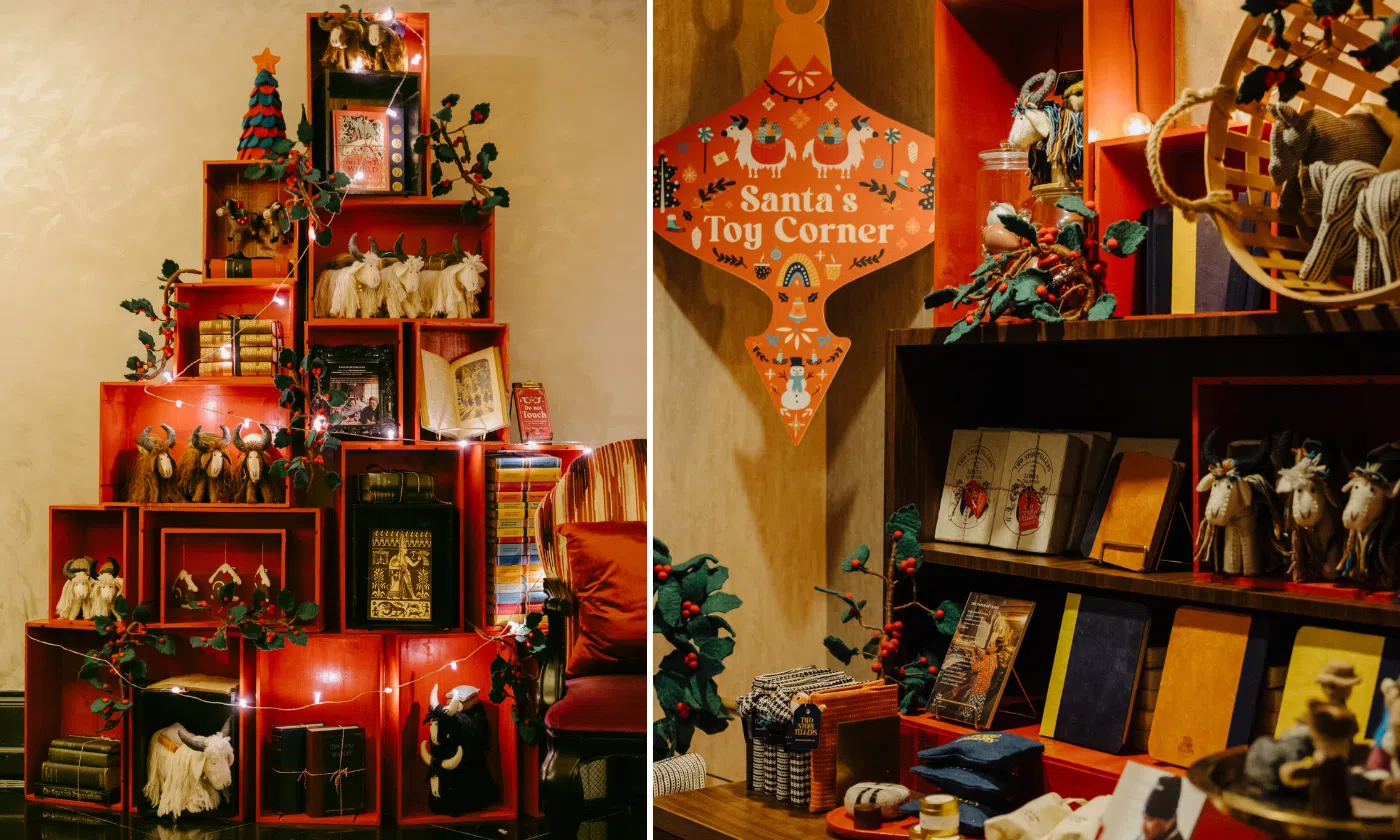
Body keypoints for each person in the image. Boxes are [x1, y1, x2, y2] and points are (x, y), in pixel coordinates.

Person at [1139, 776, 1183, 840]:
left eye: (1149, 819)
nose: (1143, 828)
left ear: (1168, 821)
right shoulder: (1151, 835)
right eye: (1144, 818)